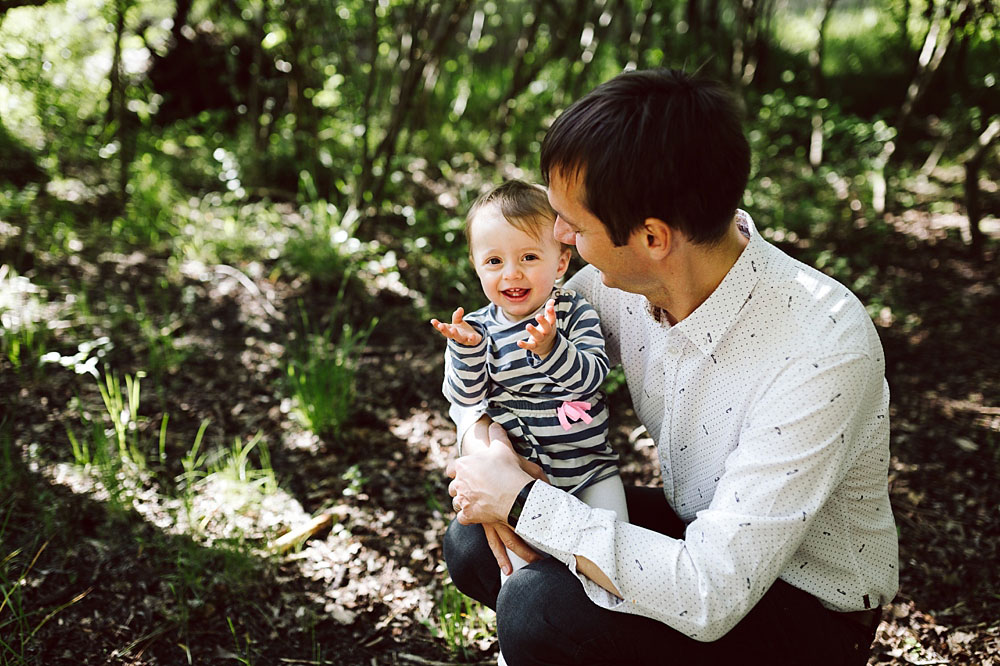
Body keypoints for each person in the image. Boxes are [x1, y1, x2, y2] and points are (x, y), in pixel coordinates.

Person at [444, 68, 898, 666]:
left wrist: (525, 500)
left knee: (537, 608)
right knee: (473, 540)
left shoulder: (822, 344)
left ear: (652, 237)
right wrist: (484, 442)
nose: (557, 237)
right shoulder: (617, 285)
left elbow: (712, 591)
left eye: (573, 225)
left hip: (805, 611)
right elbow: (494, 351)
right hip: (700, 533)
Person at [432, 180, 629, 588]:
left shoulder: (572, 313)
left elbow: (593, 376)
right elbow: (466, 398)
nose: (512, 273)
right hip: (523, 482)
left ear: (560, 262)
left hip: (590, 471)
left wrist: (553, 347)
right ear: (476, 264)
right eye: (494, 262)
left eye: (528, 256)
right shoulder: (479, 328)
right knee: (522, 579)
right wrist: (467, 352)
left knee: (614, 565)